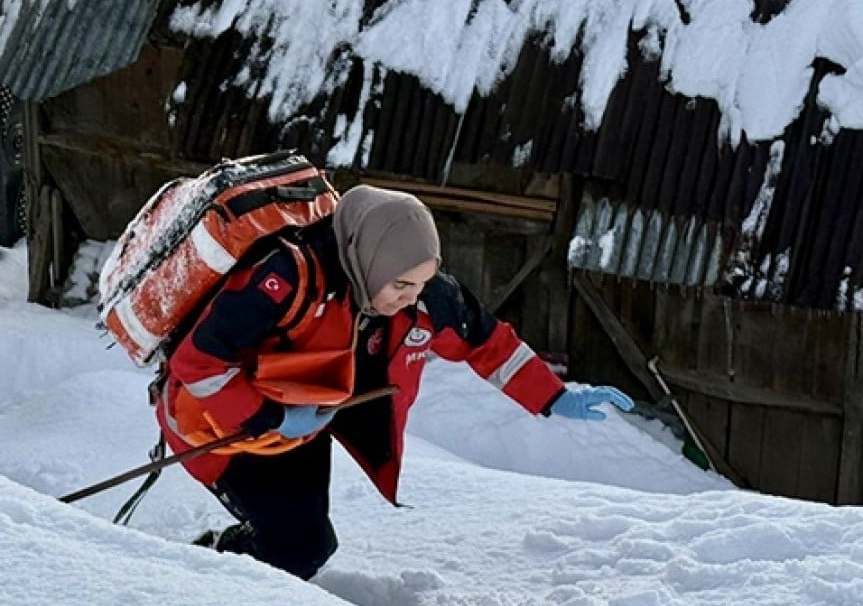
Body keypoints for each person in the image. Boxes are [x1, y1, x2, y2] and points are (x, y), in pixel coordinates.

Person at [158, 184, 634, 580]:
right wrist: (271, 418)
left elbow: (488, 343)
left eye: (422, 283)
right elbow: (198, 363)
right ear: (369, 262)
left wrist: (554, 396)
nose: (411, 299)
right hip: (218, 429)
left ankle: (226, 561)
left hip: (298, 426)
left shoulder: (420, 297)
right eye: (401, 286)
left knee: (306, 547)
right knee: (298, 549)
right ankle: (210, 580)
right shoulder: (287, 277)